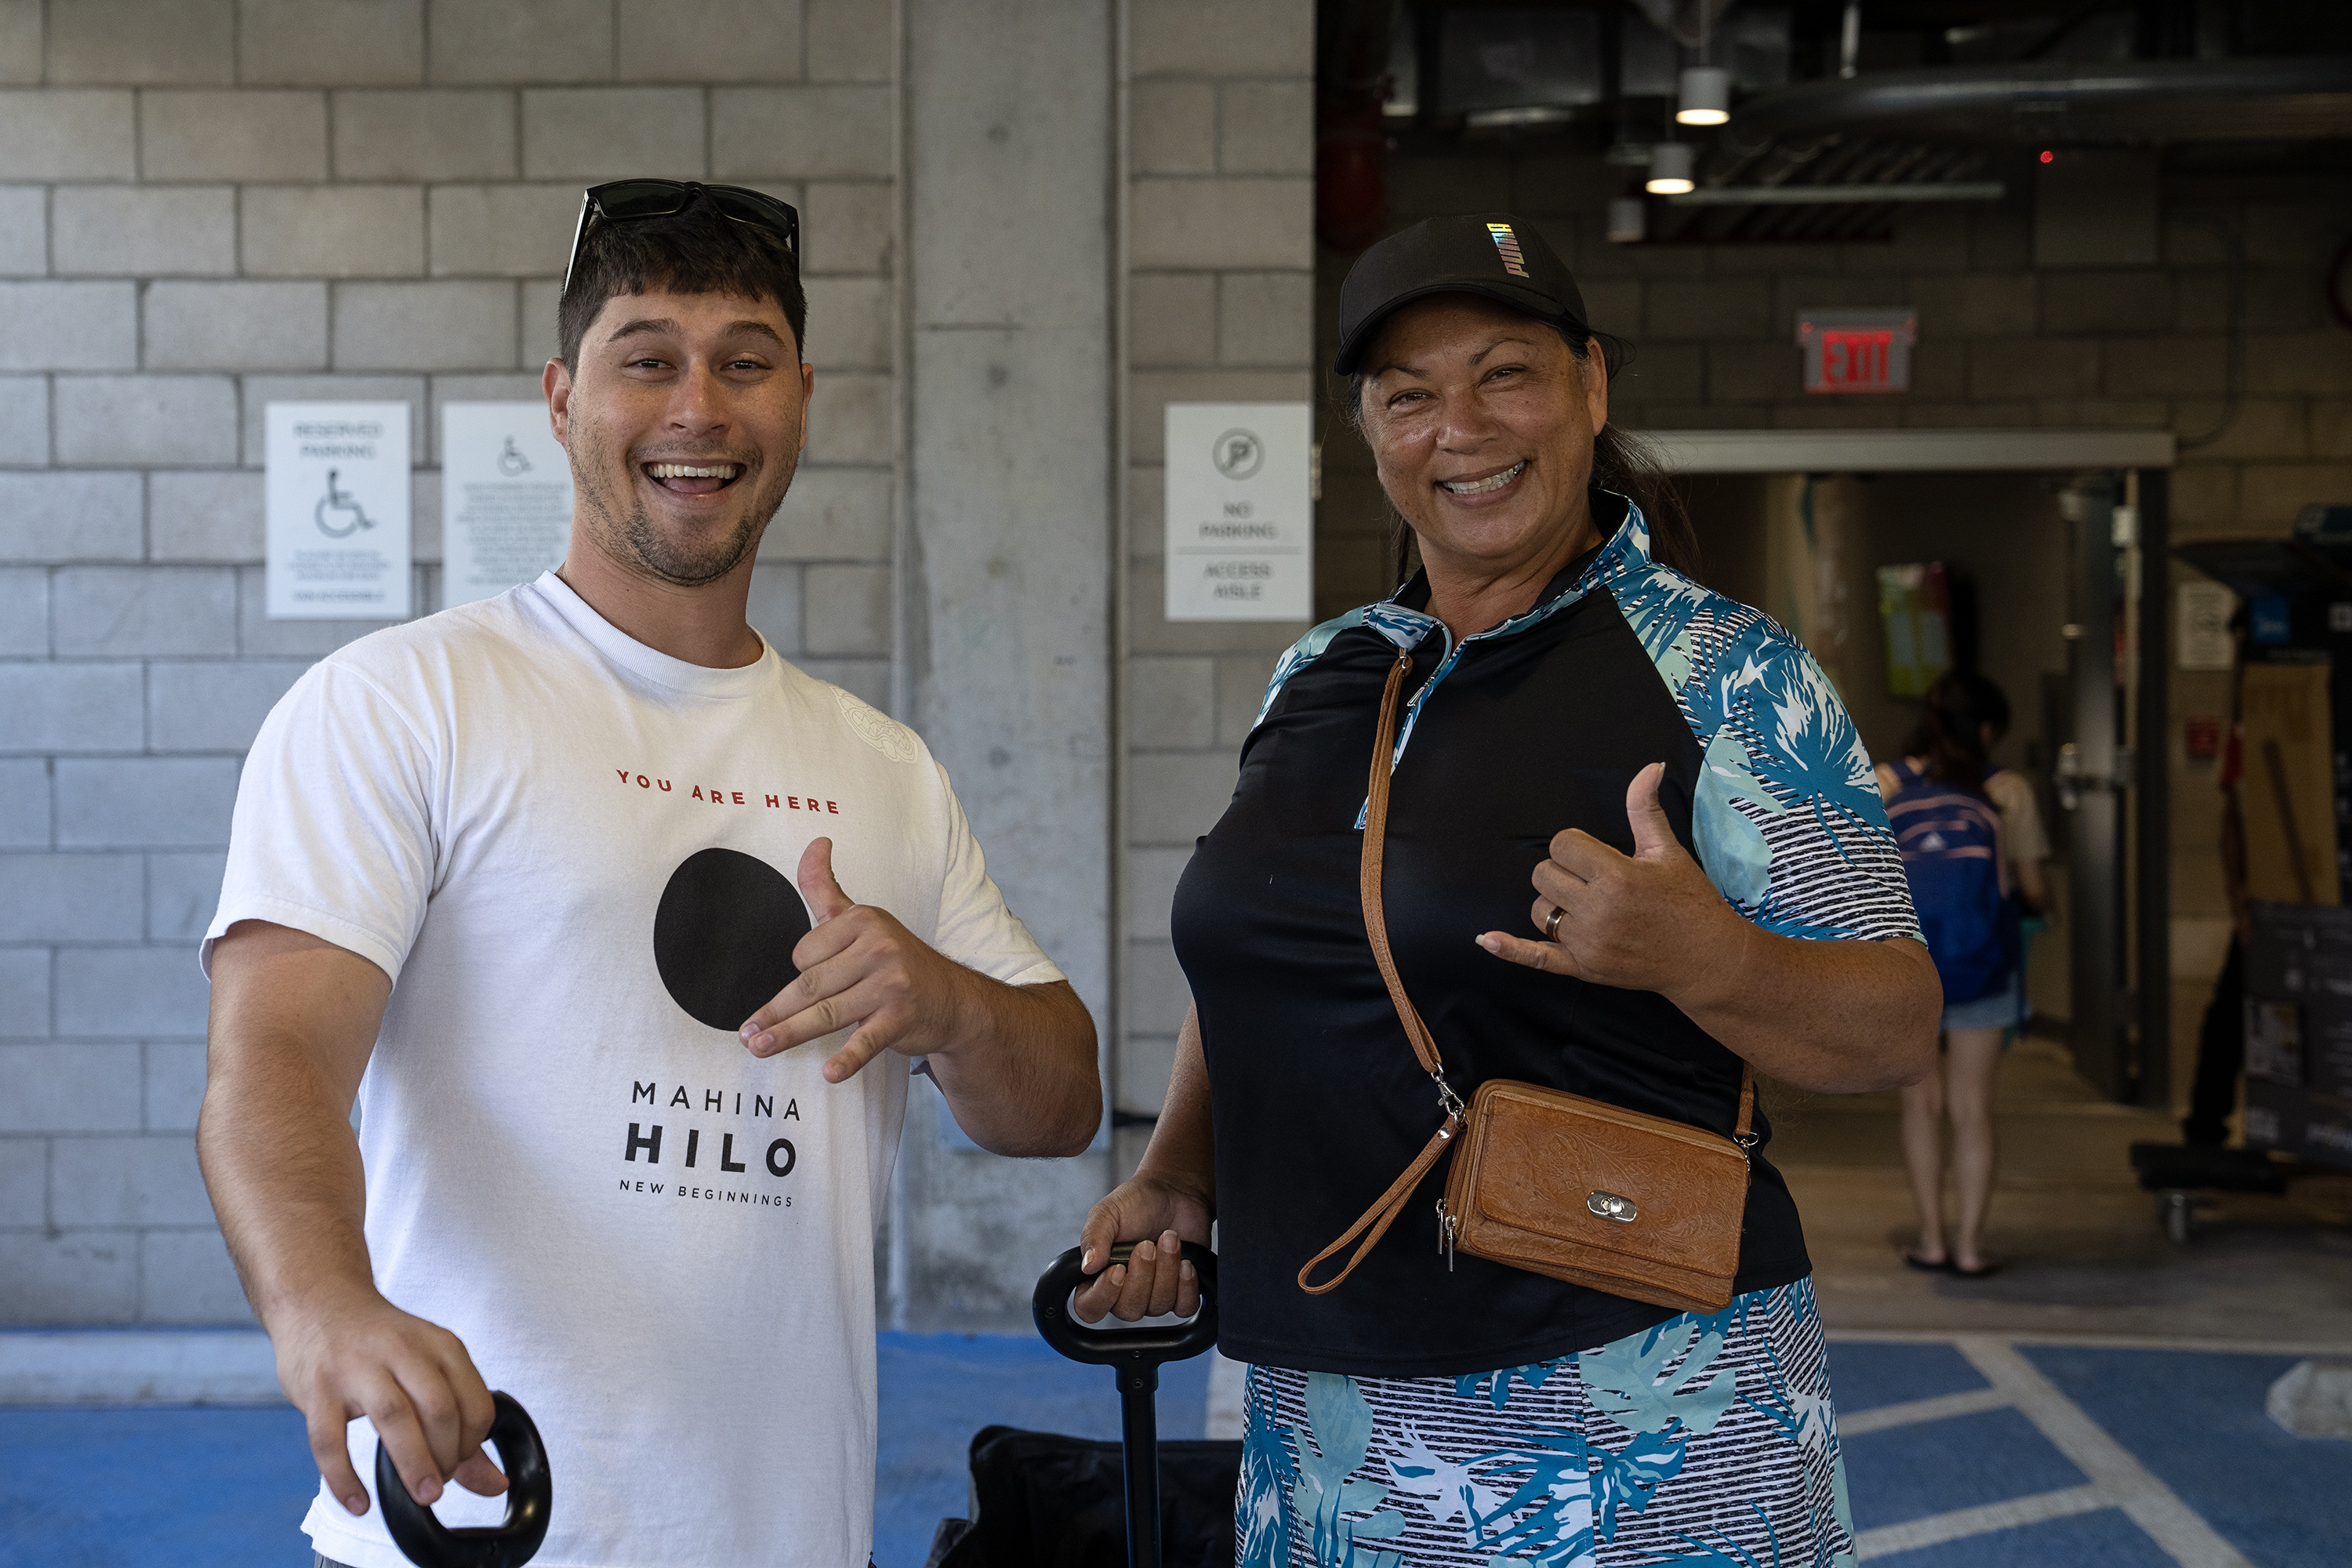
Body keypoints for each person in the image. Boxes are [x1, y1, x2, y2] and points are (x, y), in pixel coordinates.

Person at [196, 180, 1101, 1568]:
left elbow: (1056, 1102)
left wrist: (950, 1005)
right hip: (482, 1524)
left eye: (744, 362)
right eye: (647, 360)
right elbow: (275, 1055)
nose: (699, 409)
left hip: (788, 1532)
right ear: (563, 399)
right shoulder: (399, 702)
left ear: (801, 399)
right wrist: (325, 1302)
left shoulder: (883, 769)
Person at [1069, 214, 1940, 1568]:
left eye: (1504, 375)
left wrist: (1701, 956)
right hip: (1326, 1414)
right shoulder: (1327, 672)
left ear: (1590, 387)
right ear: (1367, 430)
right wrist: (1181, 1172)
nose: (1459, 428)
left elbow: (1894, 1026)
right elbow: (1278, 959)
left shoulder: (1730, 676)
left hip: (1638, 1420)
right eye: (1410, 395)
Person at [1876, 670, 2050, 1279]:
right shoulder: (2010, 793)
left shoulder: (1884, 783)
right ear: (1984, 730)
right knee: (1972, 1109)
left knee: (1920, 1109)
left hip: (1907, 970)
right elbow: (2033, 889)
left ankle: (1930, 1239)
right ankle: (1972, 1248)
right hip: (1983, 966)